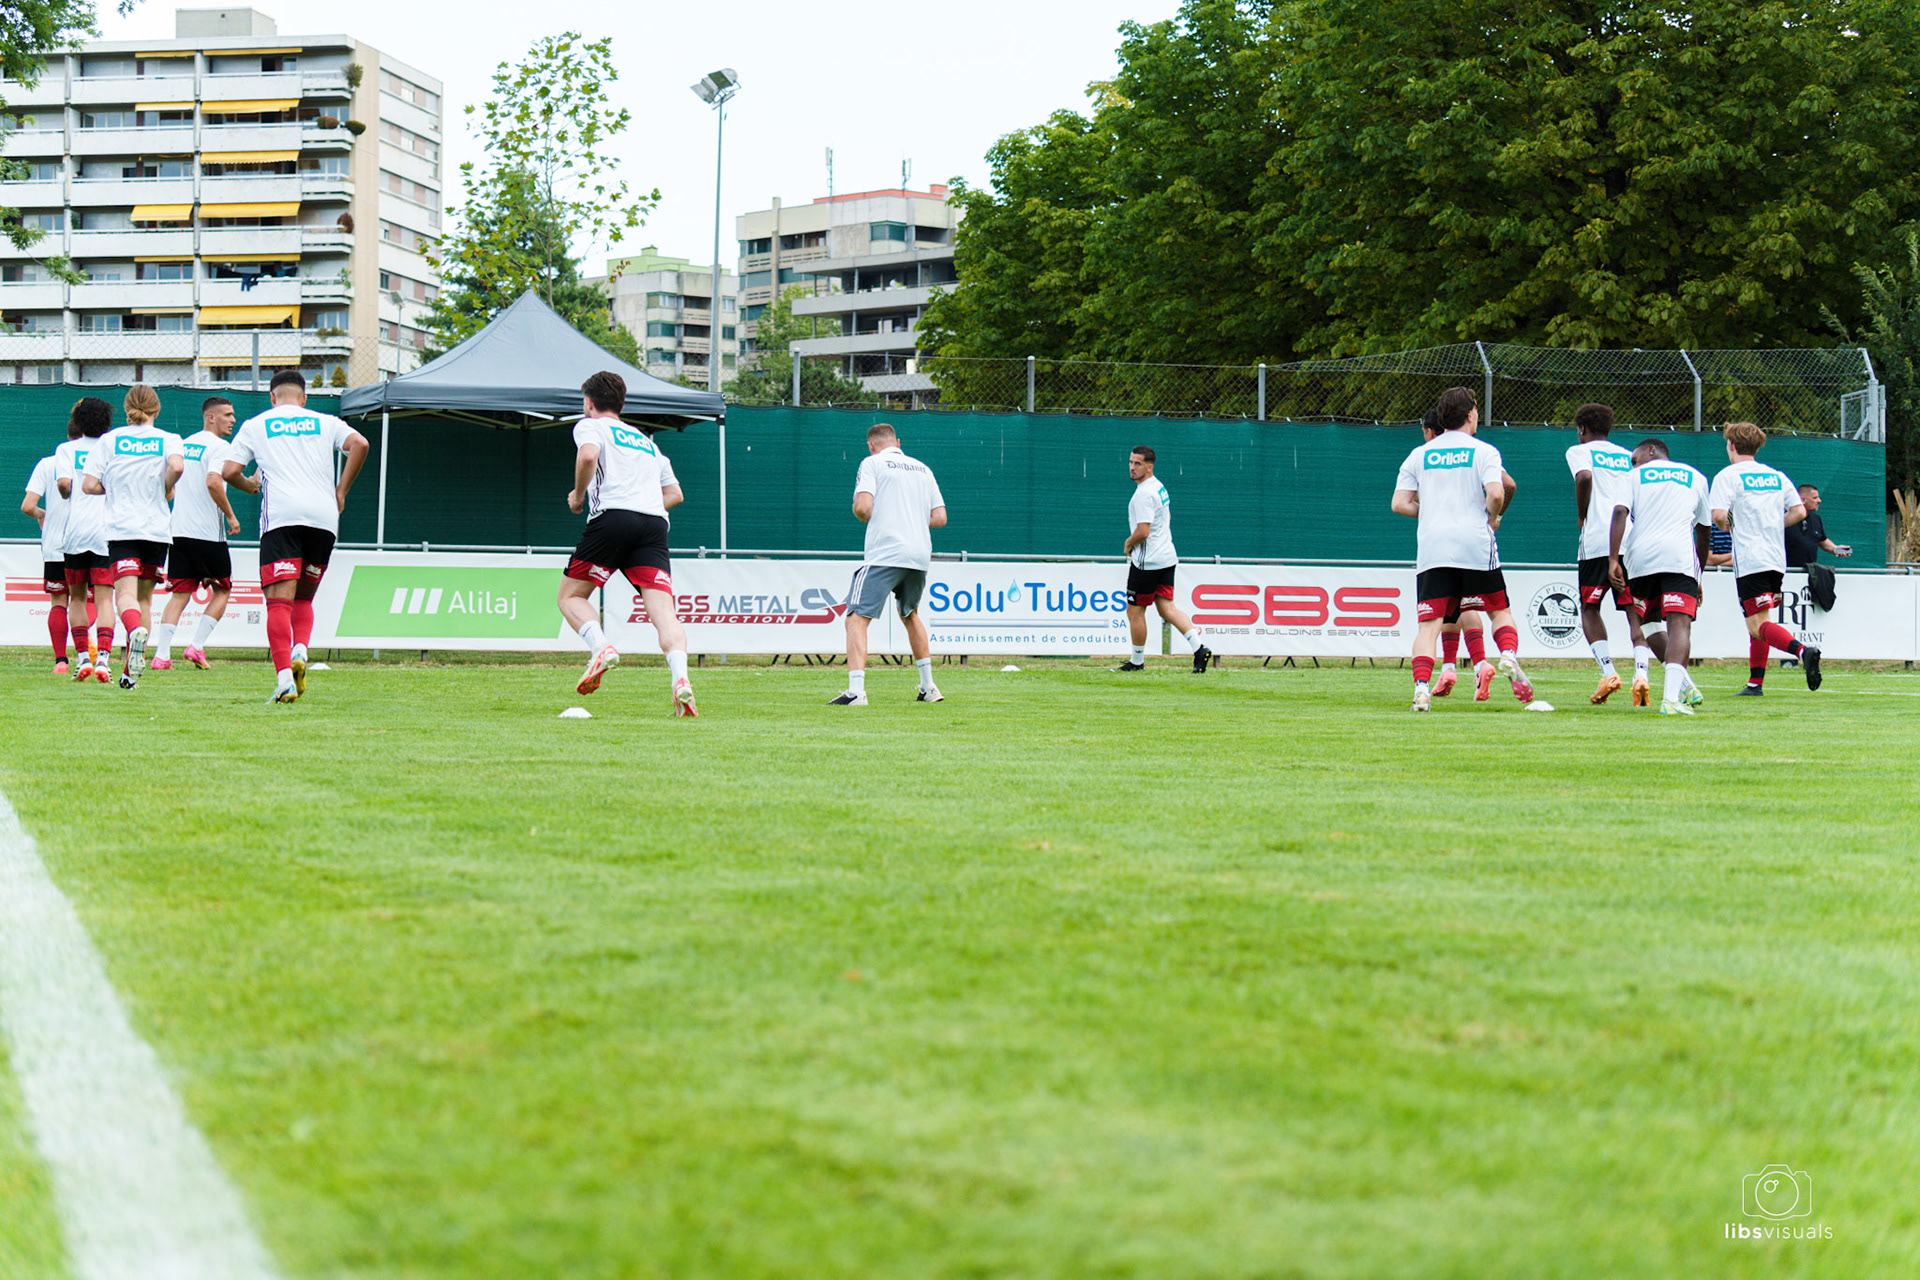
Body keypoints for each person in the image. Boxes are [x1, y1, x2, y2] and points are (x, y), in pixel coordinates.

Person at [222, 370, 369, 704]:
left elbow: (229, 471)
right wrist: (341, 491)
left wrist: (249, 485)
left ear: (272, 398)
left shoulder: (257, 424)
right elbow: (360, 444)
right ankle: (300, 649)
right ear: (304, 399)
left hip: (282, 517)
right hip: (324, 518)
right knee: (303, 599)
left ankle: (284, 679)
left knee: (278, 601)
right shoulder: (325, 421)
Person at [557, 371, 697, 716]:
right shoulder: (646, 441)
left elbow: (588, 457)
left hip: (613, 519)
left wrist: (577, 496)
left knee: (570, 596)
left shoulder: (590, 426)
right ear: (621, 403)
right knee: (664, 614)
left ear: (589, 403)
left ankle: (601, 648)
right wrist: (643, 503)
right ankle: (682, 681)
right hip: (653, 526)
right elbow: (675, 494)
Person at [1391, 387, 1532, 711]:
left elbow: (1399, 503)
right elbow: (1497, 492)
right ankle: (1508, 656)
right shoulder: (1483, 451)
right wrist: (1492, 517)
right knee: (1499, 610)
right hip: (1474, 543)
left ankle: (1422, 690)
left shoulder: (1419, 454)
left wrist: (1427, 512)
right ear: (1470, 415)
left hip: (1433, 547)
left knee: (1429, 625)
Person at [831, 422, 947, 706]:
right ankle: (928, 687)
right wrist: (909, 520)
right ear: (898, 441)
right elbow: (940, 517)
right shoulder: (922, 468)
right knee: (910, 615)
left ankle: (856, 691)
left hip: (886, 553)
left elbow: (862, 508)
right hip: (919, 556)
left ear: (871, 445)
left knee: (855, 617)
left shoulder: (871, 463)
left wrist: (867, 515)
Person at [80, 384, 184, 689]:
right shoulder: (169, 439)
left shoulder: (110, 440)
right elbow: (177, 465)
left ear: (127, 409)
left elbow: (88, 485)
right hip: (156, 530)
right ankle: (128, 674)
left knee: (124, 595)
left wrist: (113, 487)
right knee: (145, 599)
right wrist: (165, 486)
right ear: (157, 410)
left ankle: (134, 630)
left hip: (123, 529)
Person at [1709, 422, 1822, 695]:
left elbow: (1718, 515)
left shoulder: (1728, 475)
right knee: (1760, 619)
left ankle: (1802, 651)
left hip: (1750, 558)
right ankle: (1755, 684)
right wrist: (1771, 525)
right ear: (1758, 446)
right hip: (1775, 559)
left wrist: (1728, 523)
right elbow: (1799, 512)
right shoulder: (1777, 476)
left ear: (1732, 445)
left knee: (1757, 625)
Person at [1565, 401, 1666, 705]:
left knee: (1590, 608)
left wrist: (1582, 514)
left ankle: (1608, 671)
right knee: (1636, 612)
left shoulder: (1579, 451)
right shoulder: (1628, 456)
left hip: (1597, 540)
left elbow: (1584, 478)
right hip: (1631, 540)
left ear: (1582, 429)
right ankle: (1642, 675)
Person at [1608, 438, 1712, 716]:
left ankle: (1686, 685)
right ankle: (1671, 699)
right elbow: (1704, 530)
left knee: (1650, 625)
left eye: (1636, 456)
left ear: (1650, 450)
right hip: (1679, 558)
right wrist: (1698, 572)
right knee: (1679, 626)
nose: (1634, 462)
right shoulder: (1696, 477)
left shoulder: (1631, 477)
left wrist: (1613, 558)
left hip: (1640, 558)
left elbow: (1620, 512)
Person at [152, 396, 255, 670]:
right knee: (223, 590)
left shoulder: (183, 445)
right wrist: (231, 516)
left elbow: (167, 484)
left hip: (179, 533)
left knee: (179, 595)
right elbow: (213, 482)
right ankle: (196, 647)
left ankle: (161, 655)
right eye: (228, 415)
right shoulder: (220, 446)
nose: (233, 420)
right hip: (208, 535)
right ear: (211, 417)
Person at [1113, 446, 1211, 673]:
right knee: (1167, 608)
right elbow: (1167, 516)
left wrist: (1128, 544)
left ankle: (1137, 662)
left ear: (1150, 466)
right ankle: (1200, 649)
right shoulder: (1158, 487)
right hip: (1167, 557)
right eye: (1130, 462)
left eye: (1137, 464)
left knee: (1134, 611)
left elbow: (1143, 531)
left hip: (1148, 562)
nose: (1132, 467)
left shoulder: (1143, 494)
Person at [55, 397, 117, 683]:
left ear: (78, 421)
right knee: (105, 600)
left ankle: (82, 658)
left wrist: (71, 496)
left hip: (76, 533)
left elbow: (64, 485)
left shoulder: (66, 449)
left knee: (76, 598)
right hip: (106, 533)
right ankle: (103, 658)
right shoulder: (113, 448)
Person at [21, 434, 74, 673]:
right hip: (90, 542)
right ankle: (88, 648)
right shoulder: (98, 460)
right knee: (92, 600)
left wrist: (42, 514)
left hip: (55, 544)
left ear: (67, 436)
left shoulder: (47, 463)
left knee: (58, 602)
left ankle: (60, 661)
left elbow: (27, 506)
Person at [1784, 484, 1851, 566]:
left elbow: (1822, 541)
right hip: (1787, 572)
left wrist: (1835, 548)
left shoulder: (1815, 518)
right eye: (1815, 498)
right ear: (1802, 500)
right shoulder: (1785, 518)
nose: (1819, 501)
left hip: (1810, 572)